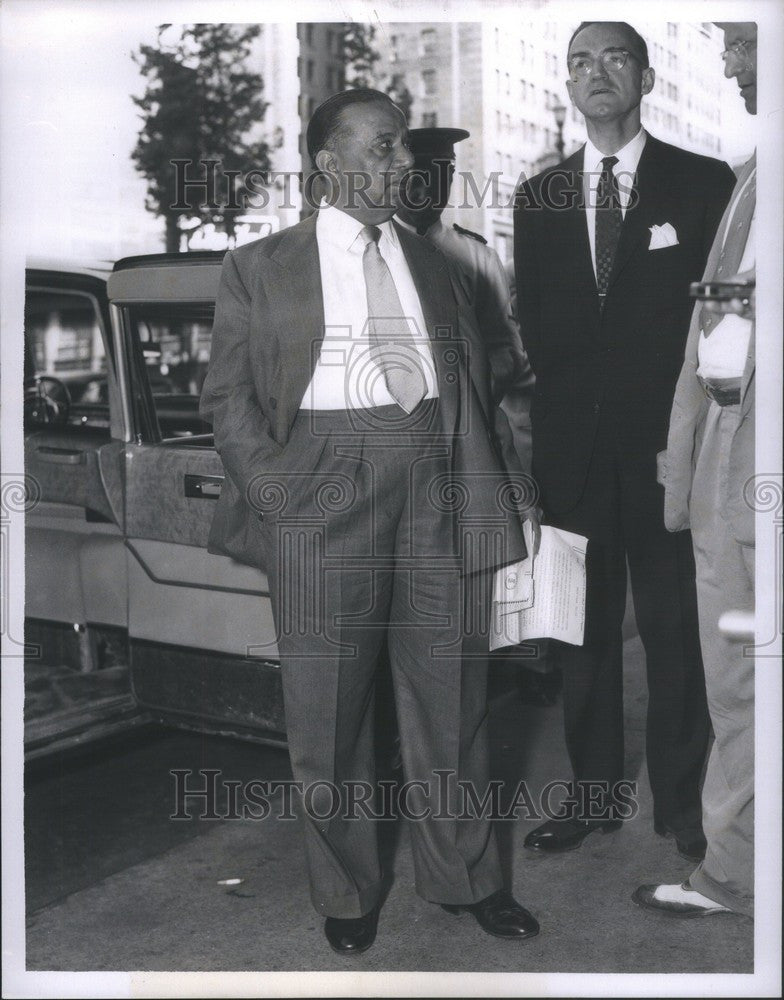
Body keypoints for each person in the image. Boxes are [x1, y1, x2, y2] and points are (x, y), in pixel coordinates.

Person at [200, 88, 539, 955]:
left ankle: (467, 877)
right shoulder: (258, 266)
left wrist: (501, 492)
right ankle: (347, 889)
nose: (404, 163)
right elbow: (228, 400)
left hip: (436, 483)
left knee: (452, 702)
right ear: (327, 162)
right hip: (319, 487)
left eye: (403, 149)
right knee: (329, 714)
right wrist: (282, 501)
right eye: (384, 147)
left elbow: (479, 392)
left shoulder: (438, 266)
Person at [513, 21, 737, 858]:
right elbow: (534, 320)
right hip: (572, 457)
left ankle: (681, 806)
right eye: (579, 62)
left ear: (645, 77)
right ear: (568, 86)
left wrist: (691, 435)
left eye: (613, 59)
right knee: (582, 634)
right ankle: (592, 795)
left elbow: (723, 319)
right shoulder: (538, 199)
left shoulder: (702, 182)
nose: (596, 73)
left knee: (676, 630)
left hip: (667, 454)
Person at [634, 20, 757, 920]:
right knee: (740, 682)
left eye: (748, 40)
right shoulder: (756, 181)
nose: (730, 61)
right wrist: (686, 472)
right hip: (732, 476)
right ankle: (738, 868)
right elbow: (713, 338)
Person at [395, 126, 556, 704]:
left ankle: (514, 665)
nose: (429, 189)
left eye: (442, 177)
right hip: (401, 450)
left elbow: (514, 351)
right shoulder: (375, 249)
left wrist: (467, 370)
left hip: (476, 438)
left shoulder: (473, 254)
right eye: (419, 175)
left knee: (494, 566)